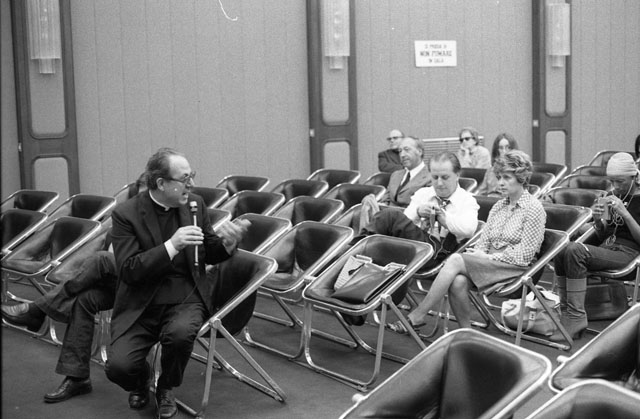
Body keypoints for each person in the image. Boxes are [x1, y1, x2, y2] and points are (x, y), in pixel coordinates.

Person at [104, 148, 249, 419]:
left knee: (180, 335)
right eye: (184, 178)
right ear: (161, 183)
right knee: (118, 368)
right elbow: (128, 270)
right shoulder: (126, 214)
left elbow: (209, 251)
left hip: (186, 296)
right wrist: (171, 245)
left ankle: (166, 387)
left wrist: (228, 244)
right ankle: (141, 380)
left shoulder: (194, 204)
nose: (191, 184)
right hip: (141, 301)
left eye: (192, 176)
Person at [387, 150, 546, 334]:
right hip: (492, 265)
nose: (500, 183)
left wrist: (488, 257)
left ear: (521, 178)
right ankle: (467, 332)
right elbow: (484, 241)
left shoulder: (533, 208)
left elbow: (525, 255)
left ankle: (418, 315)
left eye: (507, 178)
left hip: (517, 269)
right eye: (499, 177)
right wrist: (480, 254)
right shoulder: (499, 206)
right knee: (458, 281)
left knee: (455, 259)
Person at [1, 248, 117, 403]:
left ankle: (38, 310)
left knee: (102, 259)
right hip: (122, 277)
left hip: (142, 281)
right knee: (84, 299)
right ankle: (78, 377)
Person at [550, 152, 640, 342]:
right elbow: (602, 235)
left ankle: (576, 316)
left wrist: (625, 214)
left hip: (630, 254)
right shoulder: (611, 195)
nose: (615, 186)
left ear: (634, 177)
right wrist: (598, 220)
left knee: (575, 250)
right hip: (609, 248)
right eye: (612, 181)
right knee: (562, 249)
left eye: (620, 181)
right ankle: (567, 313)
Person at [358, 151, 478, 268]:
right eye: (435, 177)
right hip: (415, 245)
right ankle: (358, 253)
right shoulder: (423, 193)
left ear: (457, 175)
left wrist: (443, 218)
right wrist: (417, 212)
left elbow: (468, 230)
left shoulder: (467, 200)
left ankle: (356, 250)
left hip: (439, 253)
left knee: (390, 216)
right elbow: (403, 223)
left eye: (445, 177)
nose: (439, 183)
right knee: (385, 227)